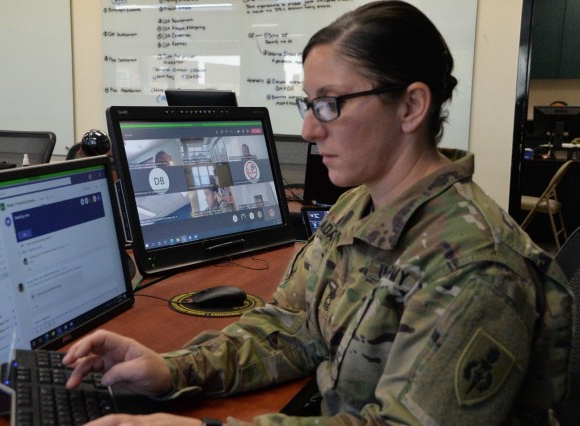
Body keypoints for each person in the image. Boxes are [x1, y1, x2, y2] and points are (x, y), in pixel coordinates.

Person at [63, 2, 572, 424]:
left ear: (412, 107)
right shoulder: (359, 206)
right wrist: (174, 370)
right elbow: (291, 325)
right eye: (308, 104)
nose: (308, 129)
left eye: (329, 103)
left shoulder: (475, 269)